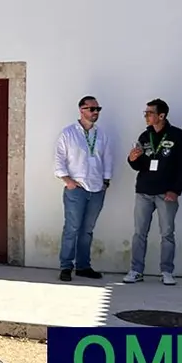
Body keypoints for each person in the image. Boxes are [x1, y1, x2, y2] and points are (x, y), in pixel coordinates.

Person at [123, 98, 182, 285]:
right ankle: (136, 270)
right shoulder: (145, 136)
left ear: (161, 115)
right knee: (139, 233)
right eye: (145, 113)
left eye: (150, 113)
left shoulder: (178, 136)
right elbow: (137, 165)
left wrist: (175, 190)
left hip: (166, 193)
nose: (146, 116)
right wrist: (132, 159)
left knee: (167, 233)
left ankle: (167, 271)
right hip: (144, 191)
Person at [53, 95, 113, 281]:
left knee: (87, 230)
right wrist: (68, 181)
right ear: (82, 110)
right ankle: (66, 266)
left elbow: (108, 158)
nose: (96, 112)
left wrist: (106, 182)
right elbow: (59, 160)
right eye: (92, 109)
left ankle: (83, 266)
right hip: (76, 189)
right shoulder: (68, 133)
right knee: (72, 228)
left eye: (98, 109)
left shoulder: (101, 134)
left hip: (97, 189)